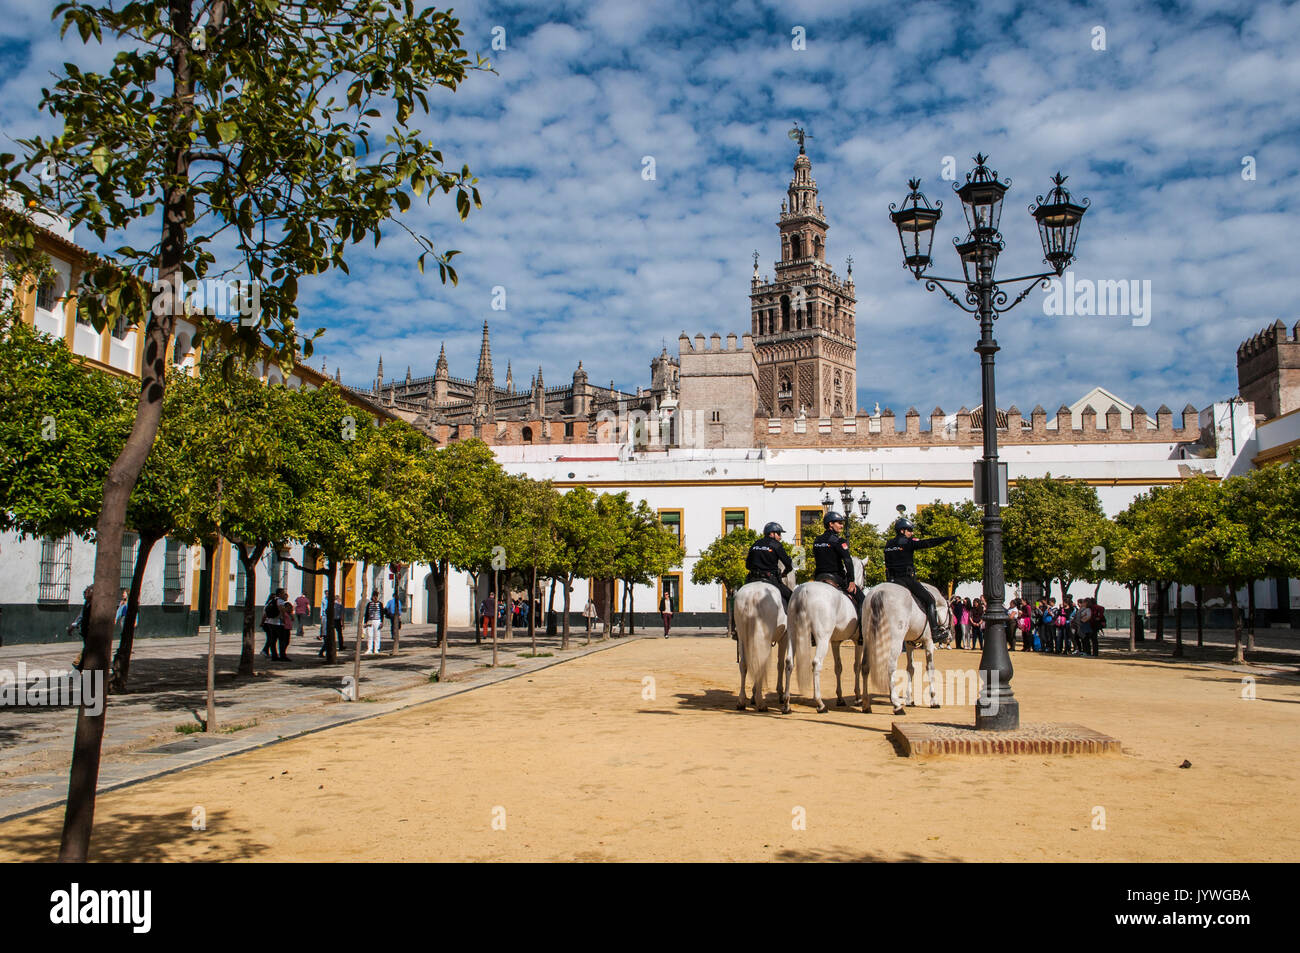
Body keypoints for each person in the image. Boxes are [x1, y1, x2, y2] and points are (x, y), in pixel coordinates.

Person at [882, 517, 955, 638]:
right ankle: (935, 631)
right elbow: (928, 543)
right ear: (902, 531)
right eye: (909, 530)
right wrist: (947, 539)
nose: (912, 533)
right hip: (906, 580)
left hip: (891, 580)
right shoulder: (908, 542)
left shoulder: (888, 544)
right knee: (930, 600)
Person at [811, 512, 862, 631]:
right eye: (839, 523)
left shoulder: (817, 541)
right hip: (835, 577)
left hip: (819, 577)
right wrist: (851, 581)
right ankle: (862, 633)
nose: (841, 526)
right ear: (830, 524)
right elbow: (848, 561)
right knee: (862, 600)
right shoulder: (838, 541)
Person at [746, 521, 795, 608]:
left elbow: (748, 565)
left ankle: (734, 621)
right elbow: (788, 564)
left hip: (752, 579)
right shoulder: (776, 545)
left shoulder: (755, 544)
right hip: (771, 579)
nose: (780, 537)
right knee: (792, 598)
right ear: (772, 533)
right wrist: (785, 573)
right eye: (779, 534)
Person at [363, 589, 384, 655]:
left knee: (377, 635)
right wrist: (365, 622)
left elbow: (382, 613)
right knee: (370, 635)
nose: (375, 598)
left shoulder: (380, 604)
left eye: (376, 596)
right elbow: (366, 613)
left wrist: (381, 622)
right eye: (374, 596)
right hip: (370, 621)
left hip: (377, 620)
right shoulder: (369, 604)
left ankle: (376, 649)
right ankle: (369, 648)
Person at [277, 588, 294, 661]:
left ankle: (282, 654)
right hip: (283, 627)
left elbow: (292, 618)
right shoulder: (281, 603)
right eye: (283, 593)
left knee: (286, 641)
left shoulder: (288, 611)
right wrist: (283, 621)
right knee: (283, 640)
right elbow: (282, 615)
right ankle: (282, 655)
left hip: (287, 627)